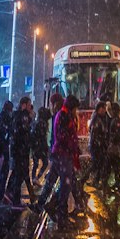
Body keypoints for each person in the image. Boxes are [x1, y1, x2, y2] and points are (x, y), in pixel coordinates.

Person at [38, 94, 80, 223]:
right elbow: (63, 137)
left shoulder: (64, 114)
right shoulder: (63, 115)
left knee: (56, 180)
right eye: (76, 108)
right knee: (65, 184)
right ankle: (61, 212)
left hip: (61, 153)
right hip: (63, 154)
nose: (76, 111)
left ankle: (44, 204)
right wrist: (72, 146)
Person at [7, 96, 37, 207]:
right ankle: (16, 200)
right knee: (20, 175)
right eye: (29, 105)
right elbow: (24, 132)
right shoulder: (23, 116)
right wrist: (30, 119)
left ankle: (30, 196)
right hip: (21, 150)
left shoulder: (18, 116)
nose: (30, 107)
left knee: (22, 174)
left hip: (20, 150)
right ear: (24, 105)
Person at [87, 100, 110, 187]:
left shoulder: (100, 118)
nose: (105, 111)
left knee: (98, 164)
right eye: (104, 109)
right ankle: (84, 179)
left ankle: (95, 181)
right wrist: (100, 144)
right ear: (100, 109)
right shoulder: (97, 119)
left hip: (98, 145)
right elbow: (96, 135)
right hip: (97, 146)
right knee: (95, 164)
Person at [31, 105, 51, 182]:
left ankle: (34, 178)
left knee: (36, 164)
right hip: (40, 147)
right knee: (44, 163)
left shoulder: (37, 123)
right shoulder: (42, 124)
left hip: (37, 147)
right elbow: (42, 137)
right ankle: (36, 178)